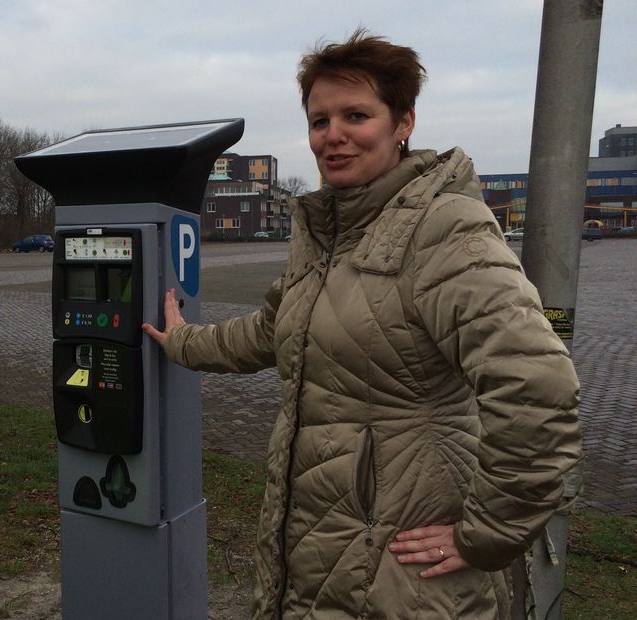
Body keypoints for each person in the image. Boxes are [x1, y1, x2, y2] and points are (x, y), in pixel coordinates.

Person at [143, 30, 581, 619]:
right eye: (319, 120)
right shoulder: (329, 234)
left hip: (401, 569)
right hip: (326, 548)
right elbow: (272, 331)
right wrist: (183, 341)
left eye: (356, 115)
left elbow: (537, 389)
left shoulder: (443, 227)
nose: (334, 136)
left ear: (403, 122)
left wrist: (488, 532)